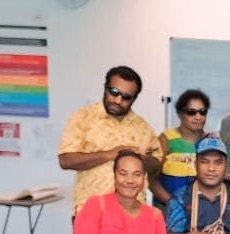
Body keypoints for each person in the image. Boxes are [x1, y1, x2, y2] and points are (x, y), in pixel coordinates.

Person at [59, 65, 161, 216]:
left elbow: (157, 165)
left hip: (132, 215)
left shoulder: (143, 127)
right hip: (90, 213)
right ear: (105, 87)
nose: (118, 100)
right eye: (113, 92)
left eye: (126, 97)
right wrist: (110, 155)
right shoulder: (83, 117)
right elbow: (66, 160)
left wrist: (140, 160)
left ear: (134, 98)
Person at [149, 89, 210, 211]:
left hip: (201, 210)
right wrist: (172, 203)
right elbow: (151, 178)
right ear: (180, 113)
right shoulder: (167, 138)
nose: (198, 117)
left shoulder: (211, 140)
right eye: (191, 112)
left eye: (202, 112)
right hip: (167, 208)